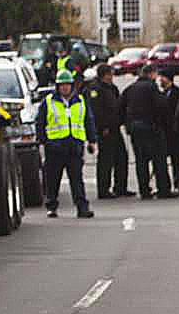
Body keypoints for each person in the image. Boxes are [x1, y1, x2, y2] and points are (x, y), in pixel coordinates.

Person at [36, 67, 96, 218]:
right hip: (55, 147)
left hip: (74, 146)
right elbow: (40, 123)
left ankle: (82, 208)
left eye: (67, 84)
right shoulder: (48, 102)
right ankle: (51, 206)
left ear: (72, 85)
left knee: (77, 180)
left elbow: (88, 121)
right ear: (57, 86)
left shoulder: (81, 101)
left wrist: (92, 140)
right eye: (62, 85)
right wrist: (44, 142)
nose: (65, 87)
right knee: (53, 180)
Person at [121, 64, 169, 199]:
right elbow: (162, 106)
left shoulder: (129, 89)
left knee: (141, 161)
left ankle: (144, 190)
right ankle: (163, 189)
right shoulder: (152, 88)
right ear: (151, 74)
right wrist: (162, 124)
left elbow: (120, 108)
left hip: (135, 129)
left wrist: (127, 124)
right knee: (158, 159)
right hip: (151, 128)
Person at [83, 62, 129, 198]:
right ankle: (103, 189)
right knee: (105, 160)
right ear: (104, 75)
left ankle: (120, 187)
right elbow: (95, 111)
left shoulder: (112, 88)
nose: (112, 77)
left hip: (114, 127)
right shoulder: (94, 89)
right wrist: (102, 127)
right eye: (110, 74)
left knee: (121, 157)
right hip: (104, 129)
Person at [157, 68, 179, 196]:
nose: (159, 80)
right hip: (163, 132)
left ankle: (178, 185)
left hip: (176, 132)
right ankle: (165, 186)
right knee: (162, 159)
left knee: (176, 160)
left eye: (162, 78)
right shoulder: (160, 94)